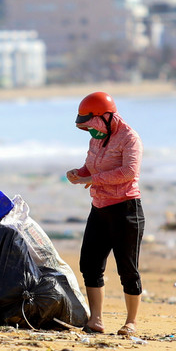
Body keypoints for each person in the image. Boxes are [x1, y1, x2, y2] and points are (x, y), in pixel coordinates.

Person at [66, 91, 144, 335]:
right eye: (88, 128)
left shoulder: (130, 138)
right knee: (89, 264)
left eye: (93, 126)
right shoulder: (96, 139)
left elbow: (129, 172)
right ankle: (96, 319)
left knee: (127, 269)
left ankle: (130, 322)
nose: (92, 132)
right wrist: (79, 173)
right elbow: (90, 165)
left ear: (107, 117)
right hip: (99, 208)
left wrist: (92, 179)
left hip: (125, 209)